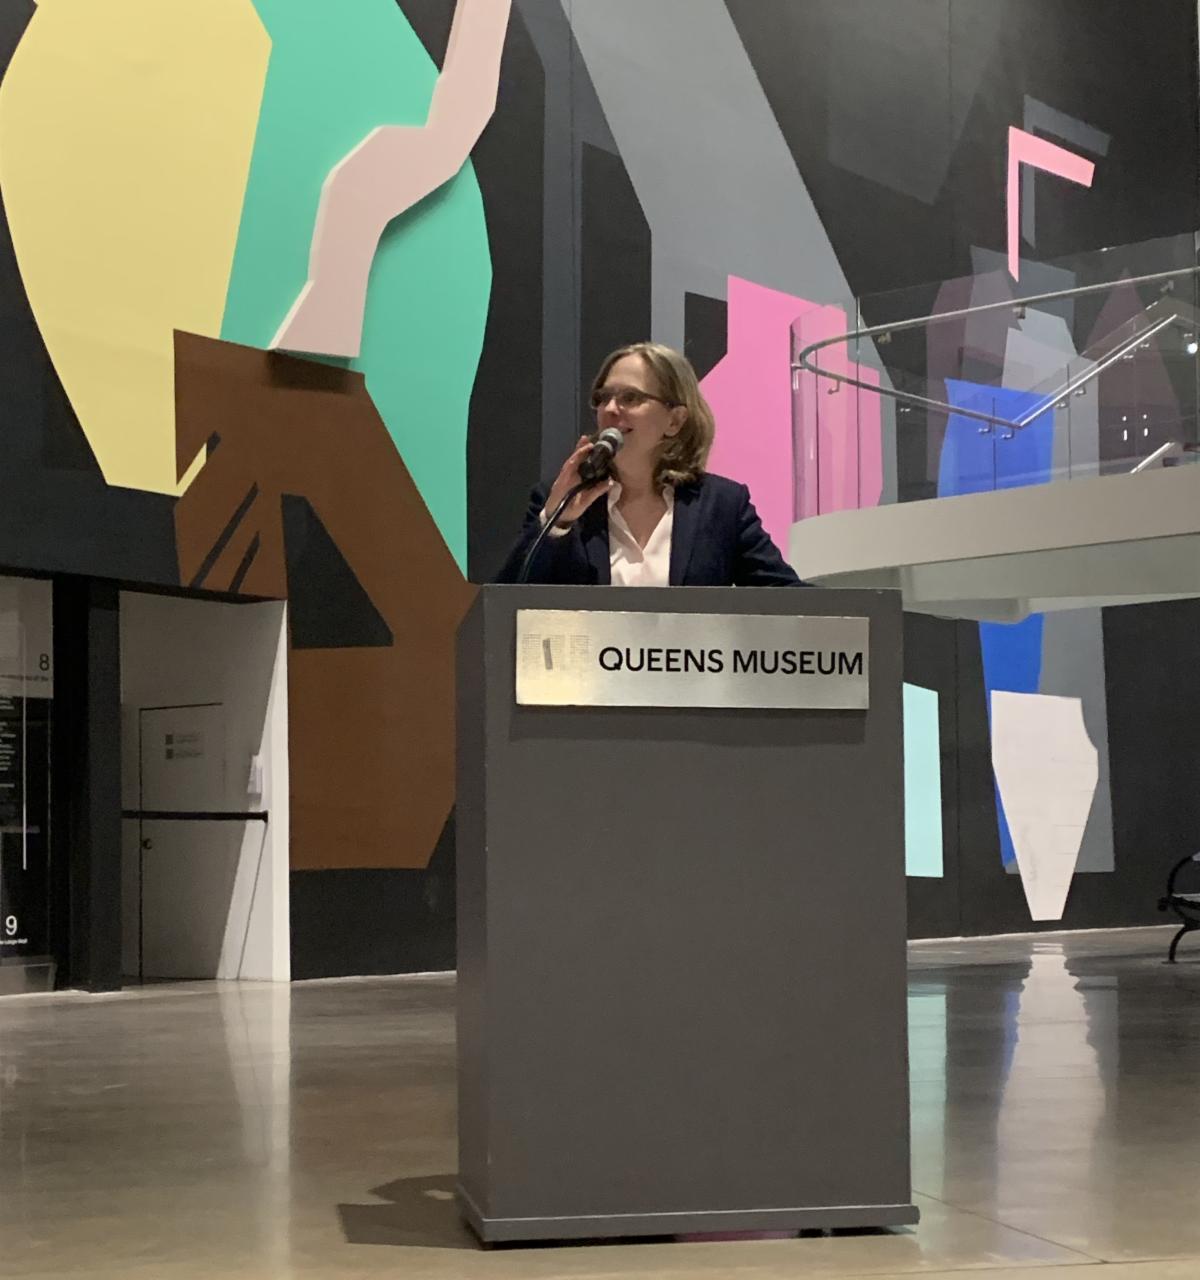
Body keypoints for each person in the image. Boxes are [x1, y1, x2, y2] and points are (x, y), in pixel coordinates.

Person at [496, 342, 806, 586]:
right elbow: (505, 603)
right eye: (603, 397)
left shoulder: (722, 505)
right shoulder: (560, 498)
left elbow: (789, 601)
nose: (610, 408)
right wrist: (557, 521)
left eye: (630, 398)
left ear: (674, 421)